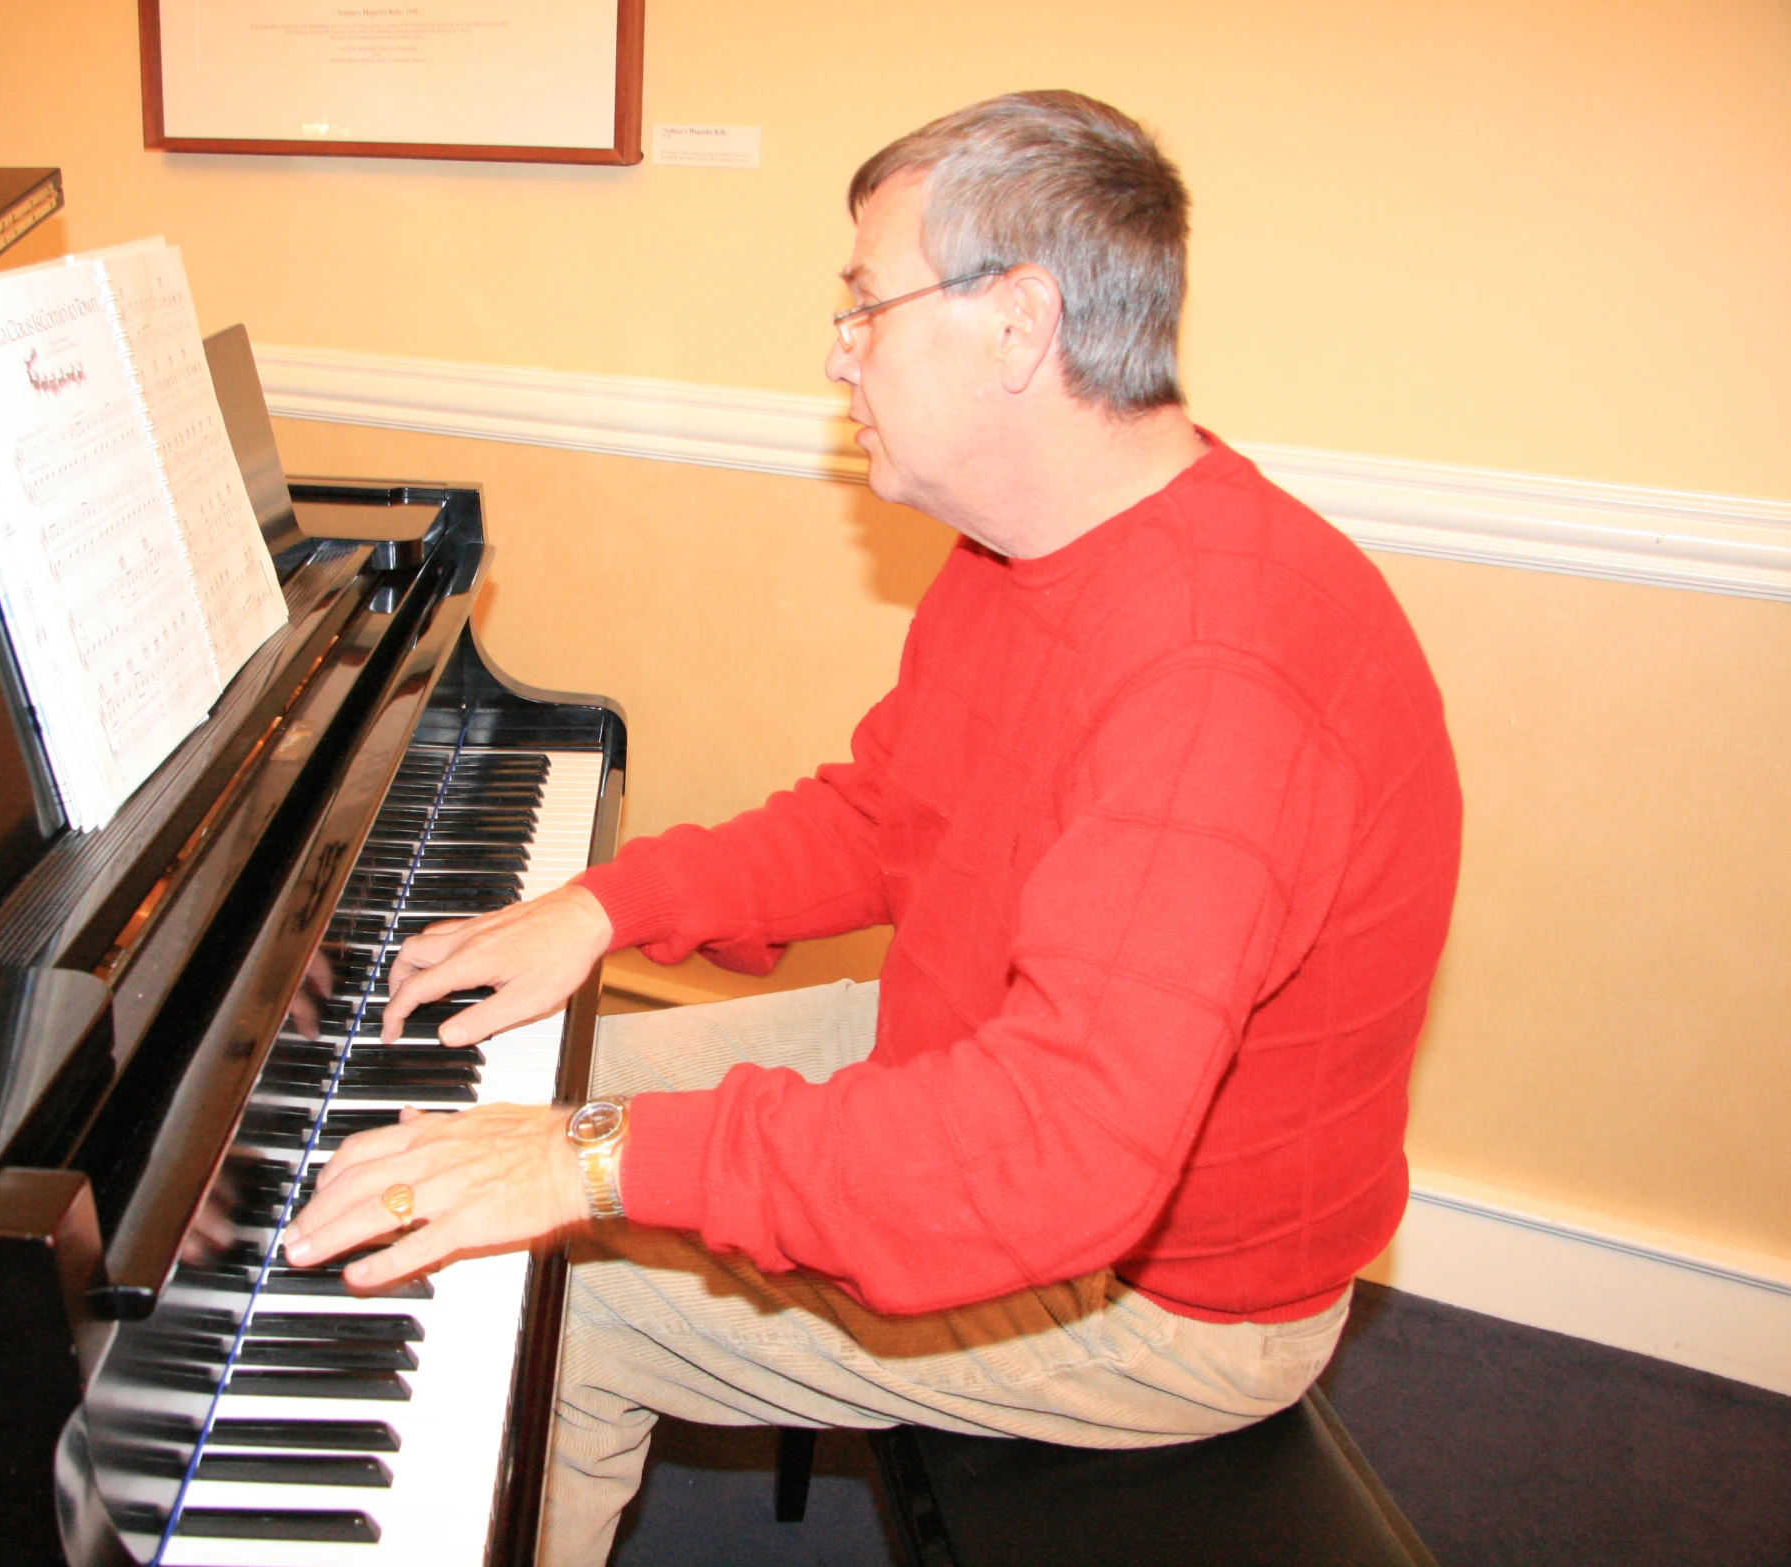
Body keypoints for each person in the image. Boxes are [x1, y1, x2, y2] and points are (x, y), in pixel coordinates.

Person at [281, 88, 1463, 1564]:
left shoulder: (1217, 676)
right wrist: (606, 907)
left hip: (1166, 1297)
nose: (837, 358)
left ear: (1016, 325)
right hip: (974, 1052)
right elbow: (890, 815)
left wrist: (586, 1163)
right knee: (476, 1097)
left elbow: (1055, 1156)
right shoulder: (1028, 546)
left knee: (537, 1285)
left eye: (863, 309)